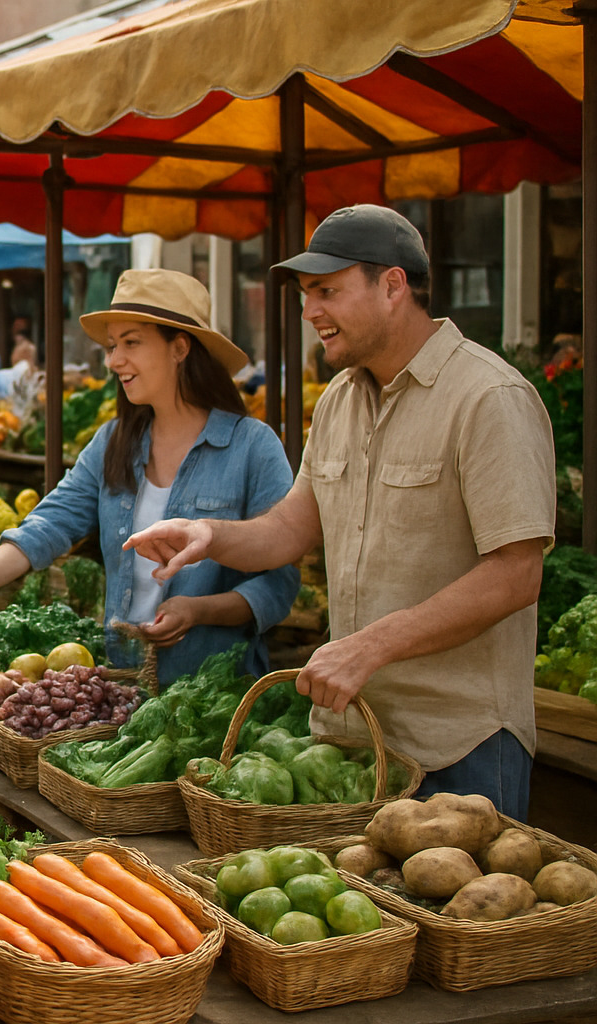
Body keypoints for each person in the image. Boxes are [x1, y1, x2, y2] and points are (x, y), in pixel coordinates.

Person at [125, 204, 554, 818]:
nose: (310, 313)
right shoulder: (339, 401)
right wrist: (207, 533)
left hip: (457, 745)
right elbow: (289, 529)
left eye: (327, 291)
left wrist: (370, 646)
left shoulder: (490, 398)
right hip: (350, 745)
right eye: (306, 294)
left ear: (393, 286)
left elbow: (517, 573)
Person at [0, 269, 299, 686]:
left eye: (131, 343)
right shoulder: (113, 443)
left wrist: (198, 611)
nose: (113, 360)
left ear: (179, 348)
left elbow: (278, 582)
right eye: (111, 346)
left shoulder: (252, 447)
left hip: (214, 694)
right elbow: (47, 525)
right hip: (123, 684)